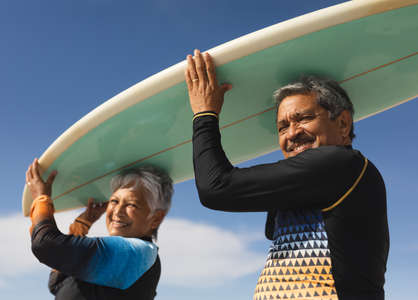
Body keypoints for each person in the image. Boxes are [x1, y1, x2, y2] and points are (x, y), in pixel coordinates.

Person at [185, 49, 389, 300]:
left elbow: (216, 188)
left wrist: (205, 114)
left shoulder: (342, 164)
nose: (291, 133)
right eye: (282, 128)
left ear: (343, 124)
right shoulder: (312, 187)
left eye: (303, 118)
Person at [26, 159, 173, 300]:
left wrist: (41, 198)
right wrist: (82, 224)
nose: (117, 211)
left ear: (156, 218)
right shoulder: (124, 259)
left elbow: (45, 245)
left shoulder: (137, 254)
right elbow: (57, 283)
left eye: (131, 205)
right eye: (114, 201)